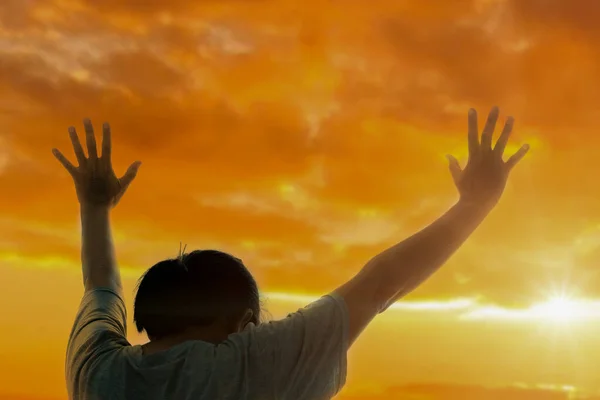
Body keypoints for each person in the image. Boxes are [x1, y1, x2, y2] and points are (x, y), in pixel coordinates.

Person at [54, 107, 529, 400]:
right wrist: (475, 204)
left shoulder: (98, 372)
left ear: (149, 314)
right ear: (243, 323)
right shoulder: (256, 365)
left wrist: (94, 208)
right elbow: (381, 284)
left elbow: (101, 287)